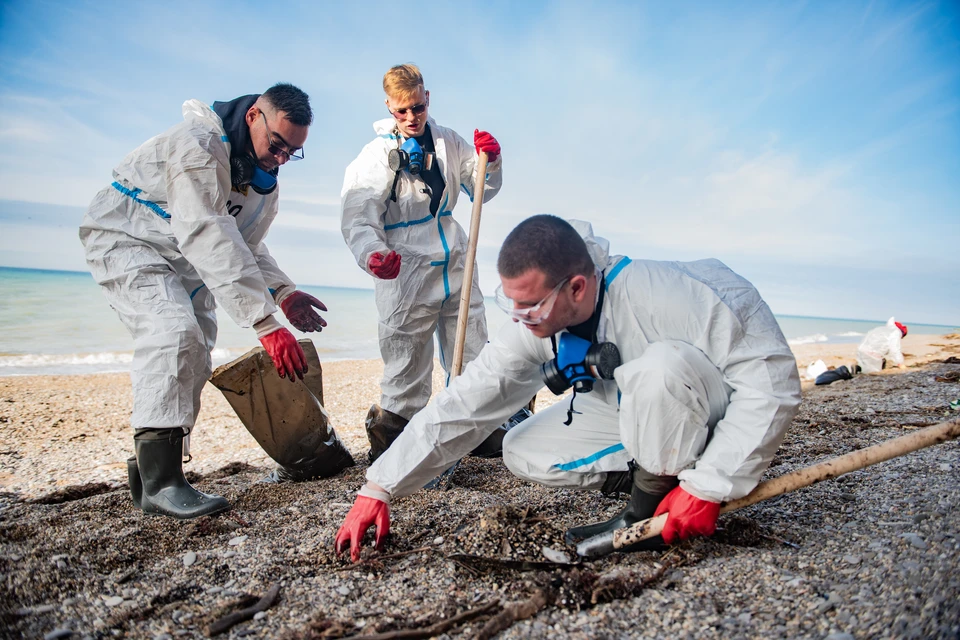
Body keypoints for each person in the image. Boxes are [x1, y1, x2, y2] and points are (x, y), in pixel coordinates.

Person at [335, 215, 802, 561]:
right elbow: (465, 403)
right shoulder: (536, 326)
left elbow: (771, 386)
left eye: (531, 307)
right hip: (633, 411)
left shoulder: (668, 294)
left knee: (658, 367)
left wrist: (713, 483)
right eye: (510, 304)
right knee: (520, 449)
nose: (520, 319)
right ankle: (662, 481)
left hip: (711, 410)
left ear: (576, 288)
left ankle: (646, 512)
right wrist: (378, 488)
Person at [79, 84, 327, 520]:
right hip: (129, 238)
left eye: (293, 152)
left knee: (196, 351)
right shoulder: (198, 146)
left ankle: (147, 474)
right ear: (254, 116)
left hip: (185, 258)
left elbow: (244, 244)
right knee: (172, 334)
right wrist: (265, 324)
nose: (282, 158)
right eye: (277, 145)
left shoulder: (259, 183)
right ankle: (163, 483)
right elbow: (207, 231)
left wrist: (283, 293)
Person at [340, 64, 503, 461]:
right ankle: (394, 443)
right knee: (406, 360)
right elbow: (358, 216)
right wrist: (371, 254)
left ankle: (475, 433)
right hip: (406, 267)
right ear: (389, 108)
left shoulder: (449, 141)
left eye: (417, 107)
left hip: (456, 261)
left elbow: (482, 190)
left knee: (471, 349)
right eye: (402, 112)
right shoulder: (374, 157)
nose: (411, 118)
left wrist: (491, 161)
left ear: (427, 98)